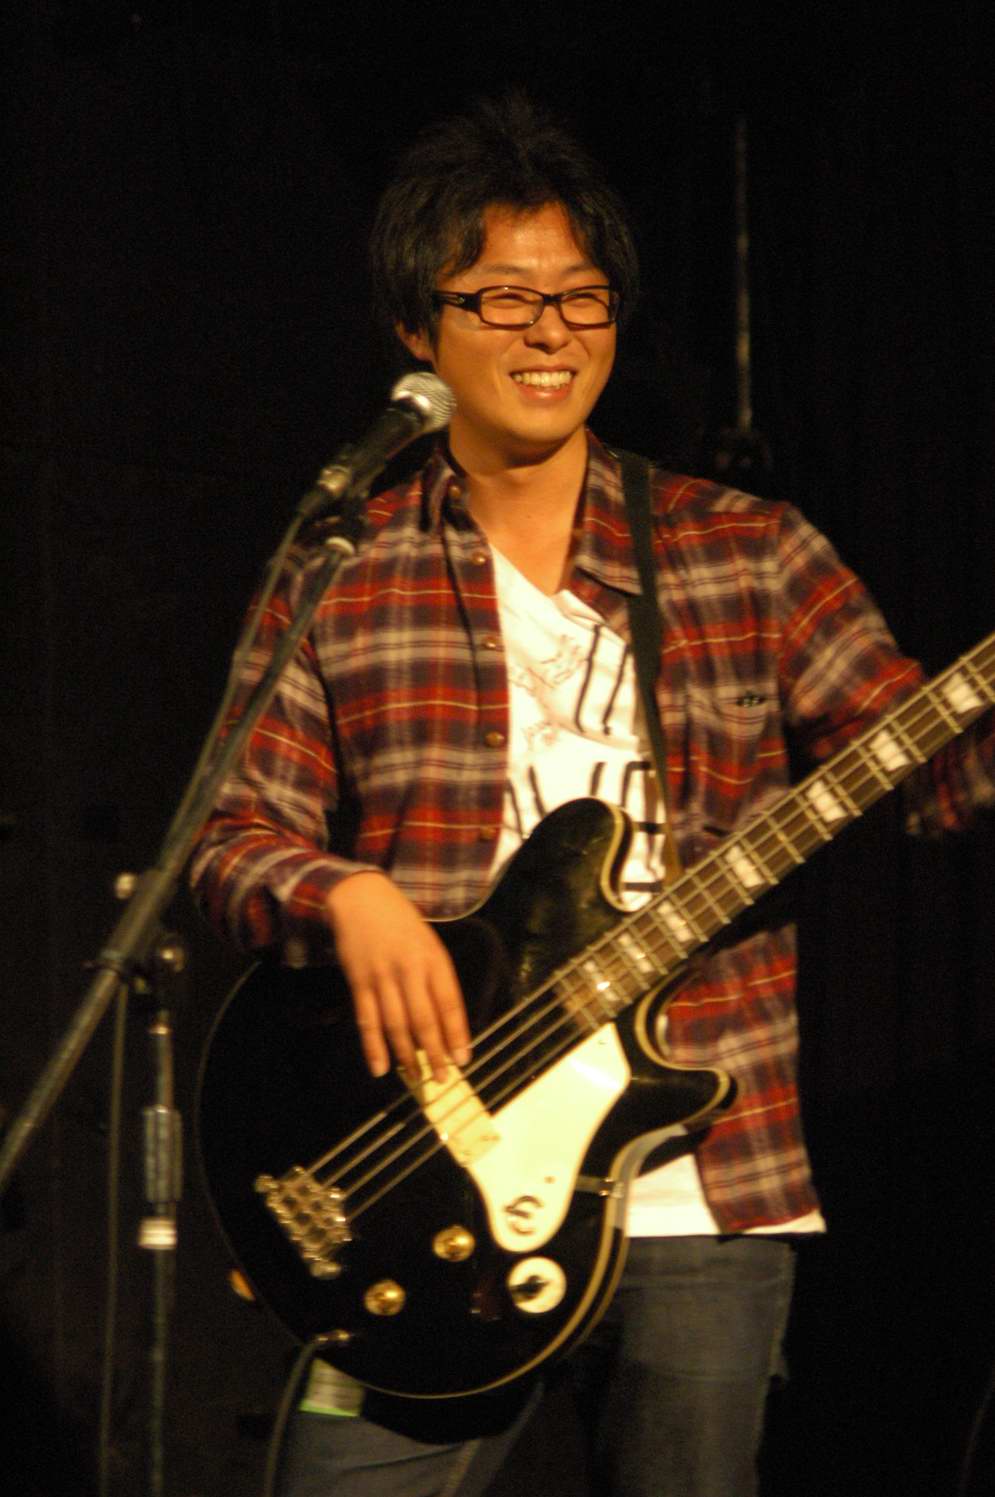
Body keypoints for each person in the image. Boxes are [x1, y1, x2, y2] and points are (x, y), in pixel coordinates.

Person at [190, 92, 995, 1497]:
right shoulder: (344, 564)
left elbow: (930, 773)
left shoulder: (744, 550)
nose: (550, 331)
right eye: (503, 298)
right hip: (412, 1173)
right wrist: (346, 896)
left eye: (580, 296)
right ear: (417, 328)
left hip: (703, 1186)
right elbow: (227, 833)